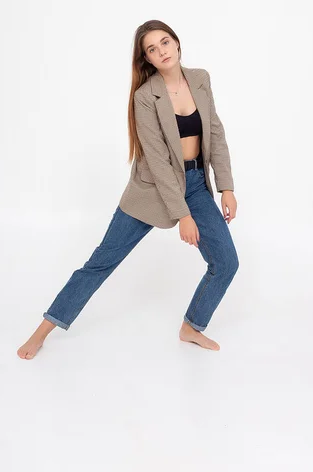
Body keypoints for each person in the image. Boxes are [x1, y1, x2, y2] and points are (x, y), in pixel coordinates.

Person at [17, 19, 239, 359]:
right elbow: (159, 163)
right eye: (152, 48)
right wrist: (182, 215)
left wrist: (226, 187)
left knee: (226, 262)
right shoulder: (144, 97)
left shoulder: (201, 79)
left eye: (165, 42)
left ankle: (192, 326)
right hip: (150, 192)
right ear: (147, 59)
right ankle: (45, 328)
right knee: (102, 261)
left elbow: (216, 133)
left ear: (177, 44)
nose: (161, 51)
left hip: (195, 183)